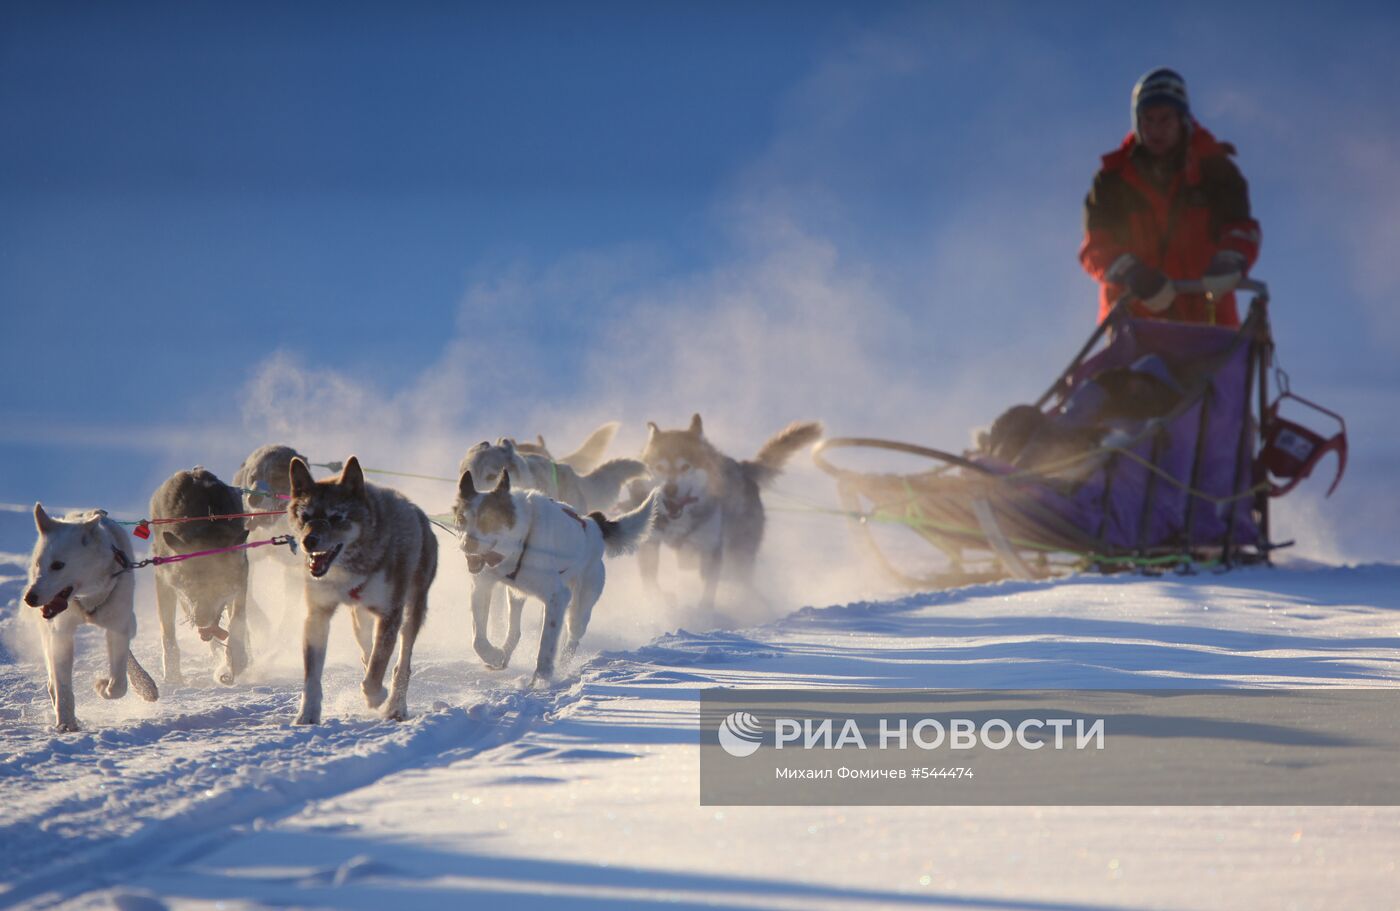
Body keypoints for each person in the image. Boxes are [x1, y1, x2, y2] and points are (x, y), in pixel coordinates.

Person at [1079, 68, 1261, 327]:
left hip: (1209, 327)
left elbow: (1241, 229)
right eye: (1148, 120)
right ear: (1137, 122)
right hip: (1135, 328)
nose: (1156, 129)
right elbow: (1097, 247)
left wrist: (1229, 260)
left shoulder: (1216, 172)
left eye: (1165, 119)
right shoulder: (1111, 181)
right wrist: (1132, 272)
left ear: (1182, 119)